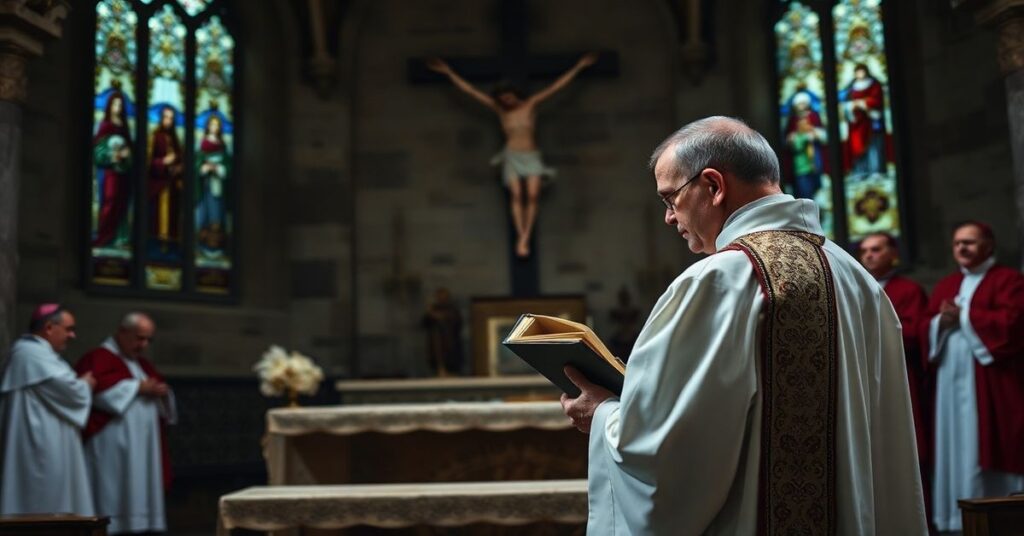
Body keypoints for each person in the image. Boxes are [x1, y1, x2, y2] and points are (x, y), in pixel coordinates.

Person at [560, 116, 927, 534]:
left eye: (670, 199)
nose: (668, 218)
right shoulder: (856, 277)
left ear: (713, 186)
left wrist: (603, 414)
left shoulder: (718, 281)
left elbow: (666, 459)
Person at [426, 53, 598, 257]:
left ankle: (526, 235)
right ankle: (521, 237)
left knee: (533, 196)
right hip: (512, 156)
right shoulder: (501, 111)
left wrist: (578, 67)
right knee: (516, 196)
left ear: (515, 94)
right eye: (502, 99)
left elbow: (555, 87)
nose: (506, 102)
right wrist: (449, 72)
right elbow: (471, 91)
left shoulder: (530, 104)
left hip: (531, 155)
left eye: (508, 97)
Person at [921, 221, 1024, 533]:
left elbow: (1013, 324)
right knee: (957, 441)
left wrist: (963, 315)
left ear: (988, 246)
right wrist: (940, 322)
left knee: (988, 439)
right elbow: (924, 327)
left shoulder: (1008, 280)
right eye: (957, 244)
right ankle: (956, 519)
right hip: (951, 381)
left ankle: (1002, 516)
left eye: (970, 242)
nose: (962, 248)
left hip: (990, 380)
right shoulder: (947, 284)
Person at [76, 312, 176, 534]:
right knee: (113, 488)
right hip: (112, 443)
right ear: (122, 332)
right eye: (139, 338)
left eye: (149, 340)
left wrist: (160, 392)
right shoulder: (99, 357)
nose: (144, 345)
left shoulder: (141, 364)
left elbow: (160, 393)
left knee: (139, 485)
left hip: (142, 444)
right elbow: (92, 391)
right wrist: (137, 388)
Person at [0, 304, 96, 515]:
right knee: (43, 498)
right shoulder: (30, 354)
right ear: (50, 327)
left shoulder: (40, 353)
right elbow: (70, 391)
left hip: (49, 436)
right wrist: (85, 384)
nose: (72, 335)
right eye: (69, 328)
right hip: (40, 443)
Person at [858, 232, 932, 502]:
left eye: (876, 249)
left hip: (899, 375)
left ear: (893, 254)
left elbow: (914, 334)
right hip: (862, 374)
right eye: (864, 250)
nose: (868, 255)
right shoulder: (857, 285)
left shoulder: (907, 291)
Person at [93, 86, 134, 248]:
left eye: (120, 105)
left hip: (124, 173)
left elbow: (130, 149)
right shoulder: (105, 126)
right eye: (115, 104)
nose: (117, 108)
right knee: (109, 200)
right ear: (109, 106)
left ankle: (120, 236)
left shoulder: (124, 128)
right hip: (109, 173)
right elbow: (98, 150)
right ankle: (104, 235)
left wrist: (127, 155)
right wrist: (113, 155)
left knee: (122, 203)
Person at [148, 105, 184, 255]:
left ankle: (170, 249)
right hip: (157, 186)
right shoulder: (154, 137)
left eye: (171, 118)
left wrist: (179, 168)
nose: (168, 121)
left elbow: (182, 160)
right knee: (156, 221)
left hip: (172, 187)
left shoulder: (176, 140)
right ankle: (155, 247)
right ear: (161, 119)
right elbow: (148, 162)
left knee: (172, 222)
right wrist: (163, 162)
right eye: (166, 117)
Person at [195, 113, 230, 258]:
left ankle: (216, 245)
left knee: (217, 214)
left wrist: (219, 169)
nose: (214, 128)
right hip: (205, 186)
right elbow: (197, 165)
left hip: (218, 187)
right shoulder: (203, 144)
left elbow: (228, 166)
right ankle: (203, 244)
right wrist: (204, 168)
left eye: (217, 125)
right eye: (212, 125)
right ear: (208, 126)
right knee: (205, 213)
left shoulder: (222, 146)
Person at [840, 63, 886, 176]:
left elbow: (876, 100)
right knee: (857, 148)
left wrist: (863, 103)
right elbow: (845, 100)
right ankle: (861, 171)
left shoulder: (874, 84)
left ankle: (876, 170)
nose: (860, 74)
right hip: (856, 123)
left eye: (862, 71)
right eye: (857, 72)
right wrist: (851, 106)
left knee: (873, 146)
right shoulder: (851, 87)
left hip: (871, 120)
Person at [422, 287, 464, 376]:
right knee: (438, 356)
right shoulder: (434, 308)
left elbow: (456, 321)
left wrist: (439, 317)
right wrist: (430, 313)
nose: (441, 298)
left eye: (443, 295)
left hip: (450, 340)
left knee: (451, 357)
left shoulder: (452, 308)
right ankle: (440, 370)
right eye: (439, 296)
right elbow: (425, 323)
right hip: (437, 340)